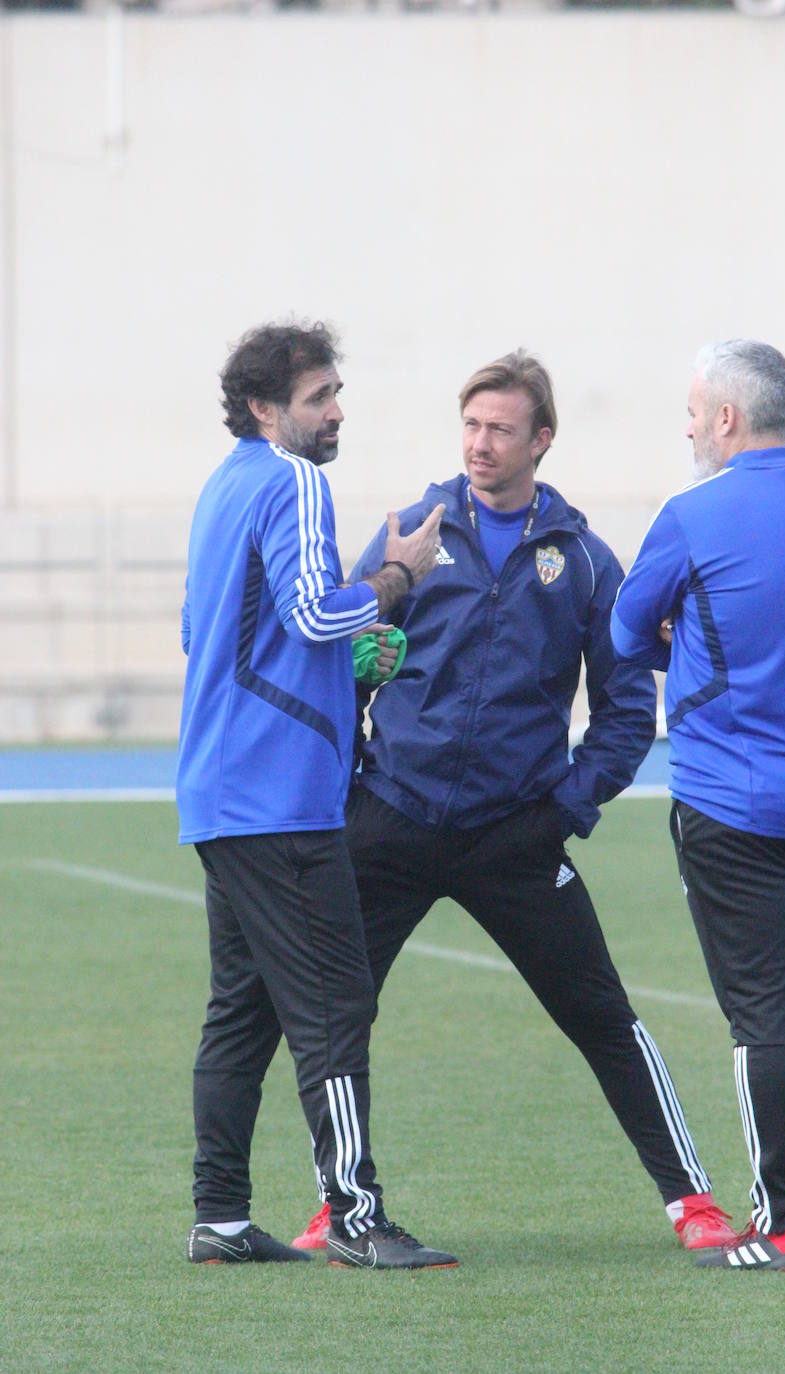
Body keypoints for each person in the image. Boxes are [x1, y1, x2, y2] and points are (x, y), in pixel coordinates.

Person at [293, 349, 736, 1256]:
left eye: (499, 429)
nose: (479, 444)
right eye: (470, 426)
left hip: (516, 836)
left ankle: (692, 1200)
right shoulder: (411, 531)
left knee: (605, 1018)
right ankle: (342, 1209)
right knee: (338, 1017)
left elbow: (623, 710)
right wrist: (348, 787)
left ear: (541, 439)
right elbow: (337, 661)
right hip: (392, 820)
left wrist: (567, 807)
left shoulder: (579, 560)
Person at [177, 319, 458, 1271]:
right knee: (336, 1006)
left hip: (222, 792)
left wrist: (347, 660)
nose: (335, 413)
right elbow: (309, 610)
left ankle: (218, 1218)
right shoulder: (293, 480)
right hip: (280, 797)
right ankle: (356, 1216)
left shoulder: (221, 490)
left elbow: (210, 632)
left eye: (337, 394)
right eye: (317, 397)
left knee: (243, 1010)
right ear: (265, 409)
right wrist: (392, 579)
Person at [611, 339, 785, 1272]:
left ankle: (781, 1219)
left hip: (732, 802)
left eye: (692, 409)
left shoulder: (694, 514)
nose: (686, 424)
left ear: (727, 418)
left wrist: (680, 631)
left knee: (763, 1015)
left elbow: (625, 629)